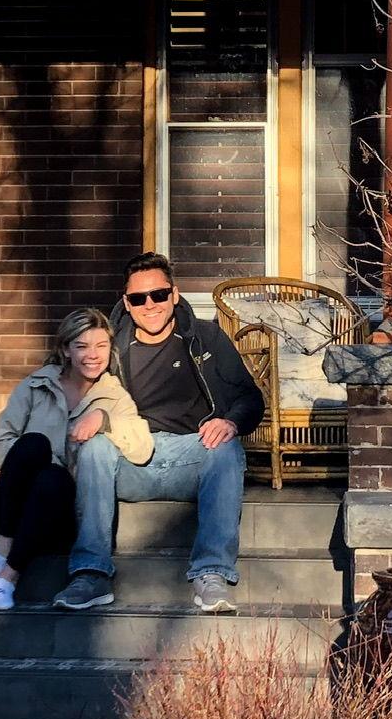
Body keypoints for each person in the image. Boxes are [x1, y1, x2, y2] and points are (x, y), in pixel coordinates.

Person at [52, 253, 265, 615]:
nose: (149, 305)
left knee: (226, 450)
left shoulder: (206, 338)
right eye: (138, 298)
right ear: (126, 303)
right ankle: (91, 574)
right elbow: (61, 386)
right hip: (130, 456)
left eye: (158, 295)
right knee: (95, 449)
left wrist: (229, 422)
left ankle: (211, 574)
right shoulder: (108, 346)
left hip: (191, 454)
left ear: (175, 294)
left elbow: (249, 398)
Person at [0, 307, 152, 612]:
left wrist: (104, 419)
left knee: (55, 479)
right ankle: (3, 546)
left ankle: (8, 575)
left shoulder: (115, 397)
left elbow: (142, 448)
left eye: (101, 346)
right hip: (14, 505)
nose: (93, 355)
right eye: (82, 346)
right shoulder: (36, 386)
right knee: (34, 444)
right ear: (65, 349)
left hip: (61, 512)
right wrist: (40, 459)